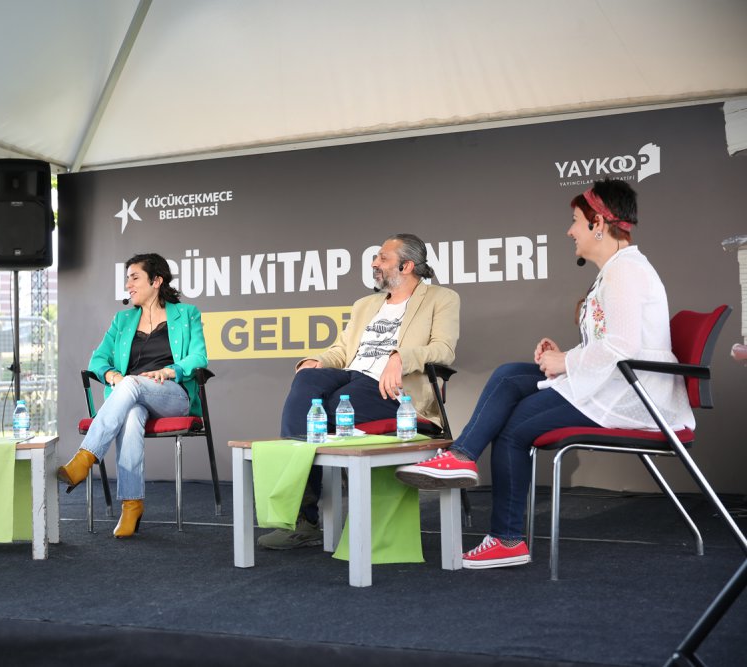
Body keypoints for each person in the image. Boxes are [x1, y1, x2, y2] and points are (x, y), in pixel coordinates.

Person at [395, 178, 694, 569]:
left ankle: (506, 538)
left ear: (598, 224)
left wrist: (566, 363)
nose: (570, 231)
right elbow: (611, 343)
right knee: (509, 376)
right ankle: (461, 457)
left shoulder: (625, 272)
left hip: (630, 395)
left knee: (514, 427)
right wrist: (565, 355)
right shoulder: (616, 269)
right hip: (613, 383)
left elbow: (622, 347)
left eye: (575, 221)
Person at [258, 233, 460, 549]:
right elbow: (341, 350)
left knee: (332, 405)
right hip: (352, 377)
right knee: (306, 382)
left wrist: (401, 357)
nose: (374, 262)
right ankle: (302, 518)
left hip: (395, 393)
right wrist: (317, 361)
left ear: (406, 265)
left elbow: (444, 350)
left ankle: (305, 517)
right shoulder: (365, 304)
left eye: (382, 258)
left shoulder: (441, 298)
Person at [57, 253, 208, 538]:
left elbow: (199, 356)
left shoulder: (187, 314)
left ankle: (85, 458)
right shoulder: (122, 320)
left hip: (172, 396)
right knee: (131, 413)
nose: (128, 284)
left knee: (132, 385)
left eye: (135, 277)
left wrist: (170, 371)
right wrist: (112, 376)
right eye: (127, 278)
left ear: (156, 281)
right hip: (131, 395)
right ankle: (131, 505)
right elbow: (98, 360)